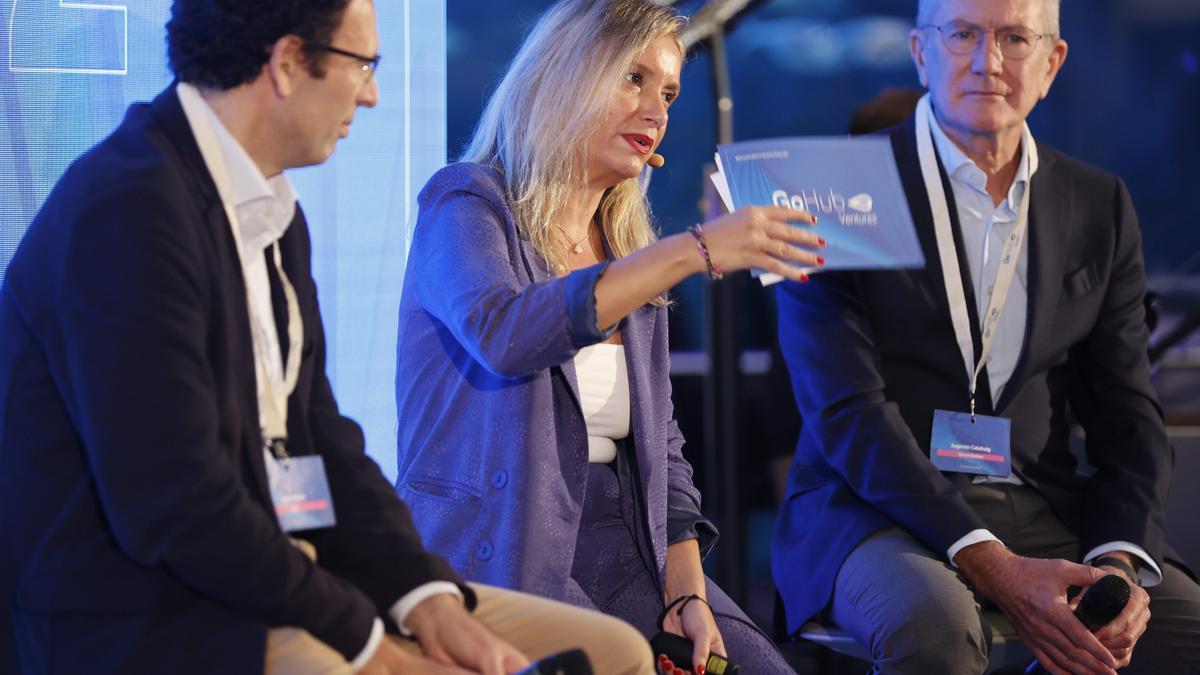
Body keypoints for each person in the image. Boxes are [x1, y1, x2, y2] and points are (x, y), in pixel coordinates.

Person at [0, 1, 656, 673]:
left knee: (615, 653)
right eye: (362, 64)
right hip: (149, 611)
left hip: (282, 575)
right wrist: (369, 643)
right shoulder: (127, 209)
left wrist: (426, 600)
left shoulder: (273, 211)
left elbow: (322, 442)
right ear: (287, 63)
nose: (372, 93)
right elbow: (176, 506)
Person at [771, 0, 1200, 673]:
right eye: (963, 34)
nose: (987, 61)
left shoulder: (1099, 203)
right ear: (920, 51)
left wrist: (1117, 559)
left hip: (1037, 501)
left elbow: (1129, 413)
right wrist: (992, 562)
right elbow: (844, 410)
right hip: (871, 510)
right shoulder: (827, 189)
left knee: (1178, 624)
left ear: (1051, 62)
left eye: (1014, 37)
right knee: (934, 626)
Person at [393, 1, 820, 673]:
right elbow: (504, 332)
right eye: (633, 78)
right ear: (564, 76)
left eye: (670, 93)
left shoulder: (624, 250)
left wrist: (688, 592)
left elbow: (665, 452)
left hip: (633, 552)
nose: (657, 110)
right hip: (507, 545)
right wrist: (692, 249)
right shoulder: (465, 205)